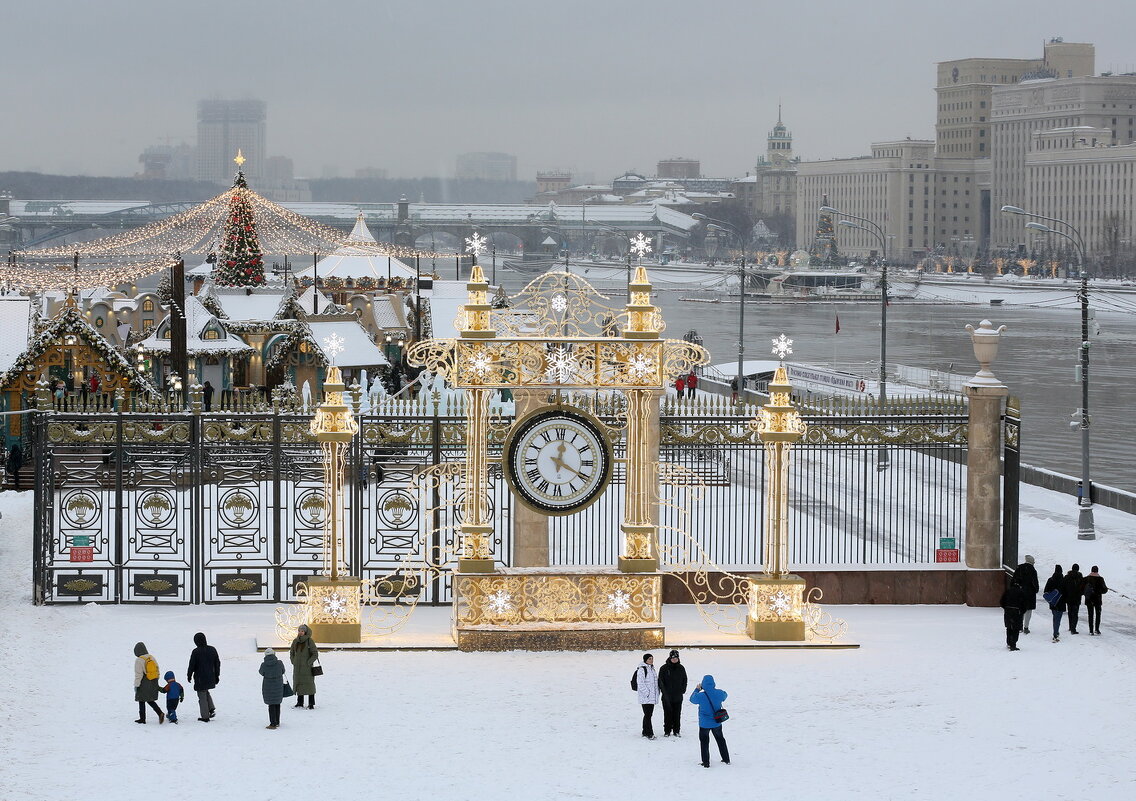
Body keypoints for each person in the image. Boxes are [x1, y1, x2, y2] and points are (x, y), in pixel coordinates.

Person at [689, 675, 730, 768]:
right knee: (720, 740)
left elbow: (692, 699)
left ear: (703, 684)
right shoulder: (719, 693)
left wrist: (697, 689)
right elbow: (725, 695)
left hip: (704, 723)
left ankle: (706, 762)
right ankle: (726, 759)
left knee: (704, 742)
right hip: (717, 722)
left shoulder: (700, 695)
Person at [186, 631, 220, 722]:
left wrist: (189, 675)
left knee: (202, 695)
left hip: (200, 679)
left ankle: (205, 716)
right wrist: (217, 675)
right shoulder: (212, 649)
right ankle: (211, 708)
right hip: (211, 677)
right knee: (205, 691)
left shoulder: (196, 652)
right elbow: (217, 664)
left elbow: (192, 665)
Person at [658, 649, 688, 737]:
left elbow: (684, 679)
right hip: (667, 696)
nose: (675, 659)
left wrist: (683, 690)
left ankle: (676, 730)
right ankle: (667, 731)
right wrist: (664, 692)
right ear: (670, 658)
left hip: (678, 696)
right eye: (673, 658)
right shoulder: (664, 668)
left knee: (677, 714)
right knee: (667, 714)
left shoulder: (681, 668)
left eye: (676, 658)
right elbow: (660, 681)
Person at [133, 642, 164, 724]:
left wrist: (136, 685)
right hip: (153, 680)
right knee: (150, 699)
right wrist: (156, 681)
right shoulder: (151, 657)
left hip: (144, 682)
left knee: (141, 700)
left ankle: (142, 719)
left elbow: (138, 674)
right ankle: (160, 713)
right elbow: (157, 669)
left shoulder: (139, 660)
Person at [290, 624, 319, 709]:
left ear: (305, 632)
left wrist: (308, 662)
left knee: (309, 685)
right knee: (299, 684)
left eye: (302, 631)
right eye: (299, 631)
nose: (300, 633)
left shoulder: (310, 641)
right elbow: (291, 652)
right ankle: (300, 702)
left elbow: (315, 654)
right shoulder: (295, 641)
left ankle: (311, 703)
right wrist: (293, 661)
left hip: (307, 668)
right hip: (297, 668)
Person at [1011, 555, 1040, 634]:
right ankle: (1026, 627)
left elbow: (1014, 580)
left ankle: (1019, 626)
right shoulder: (1033, 570)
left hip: (1020, 592)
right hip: (1030, 593)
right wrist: (1036, 589)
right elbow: (1035, 582)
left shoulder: (1019, 568)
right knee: (1028, 611)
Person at [259, 648, 286, 729]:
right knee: (277, 703)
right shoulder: (279, 663)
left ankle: (272, 724)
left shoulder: (263, 664)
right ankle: (277, 722)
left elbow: (261, 672)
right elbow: (283, 671)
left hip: (268, 687)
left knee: (271, 705)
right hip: (278, 686)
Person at [999, 579, 1029, 651]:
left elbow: (1002, 601)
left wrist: (1006, 608)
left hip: (1008, 611)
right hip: (1017, 612)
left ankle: (1009, 642)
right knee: (1016, 628)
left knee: (1009, 627)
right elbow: (1025, 604)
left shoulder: (1007, 591)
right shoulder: (1021, 592)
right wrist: (1021, 611)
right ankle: (1013, 644)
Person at [634, 653, 658, 739]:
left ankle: (644, 731)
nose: (651, 660)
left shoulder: (652, 669)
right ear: (645, 660)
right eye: (649, 659)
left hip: (651, 697)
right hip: (646, 697)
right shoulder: (642, 669)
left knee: (648, 715)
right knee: (648, 715)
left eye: (652, 658)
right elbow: (640, 683)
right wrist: (647, 693)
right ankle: (650, 733)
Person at [1083, 566, 1109, 635]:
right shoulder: (1100, 579)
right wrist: (1098, 591)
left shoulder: (1086, 578)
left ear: (1091, 570)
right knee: (1098, 614)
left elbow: (1082, 589)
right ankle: (1097, 629)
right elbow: (1105, 590)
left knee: (1090, 615)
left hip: (1089, 599)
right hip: (1097, 599)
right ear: (1097, 571)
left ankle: (1091, 630)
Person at [1044, 565, 1066, 643]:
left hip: (1053, 602)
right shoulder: (1064, 580)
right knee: (1058, 618)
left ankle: (1056, 631)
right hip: (1061, 602)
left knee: (1055, 617)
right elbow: (1066, 592)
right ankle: (1055, 633)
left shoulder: (1051, 580)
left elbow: (1046, 591)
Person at [1062, 563, 1085, 634]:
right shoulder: (1080, 577)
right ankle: (1073, 628)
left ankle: (1070, 626)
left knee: (1070, 612)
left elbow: (1063, 587)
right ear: (1078, 569)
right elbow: (1083, 588)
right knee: (1075, 613)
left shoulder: (1067, 577)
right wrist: (1081, 593)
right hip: (1077, 598)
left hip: (1068, 598)